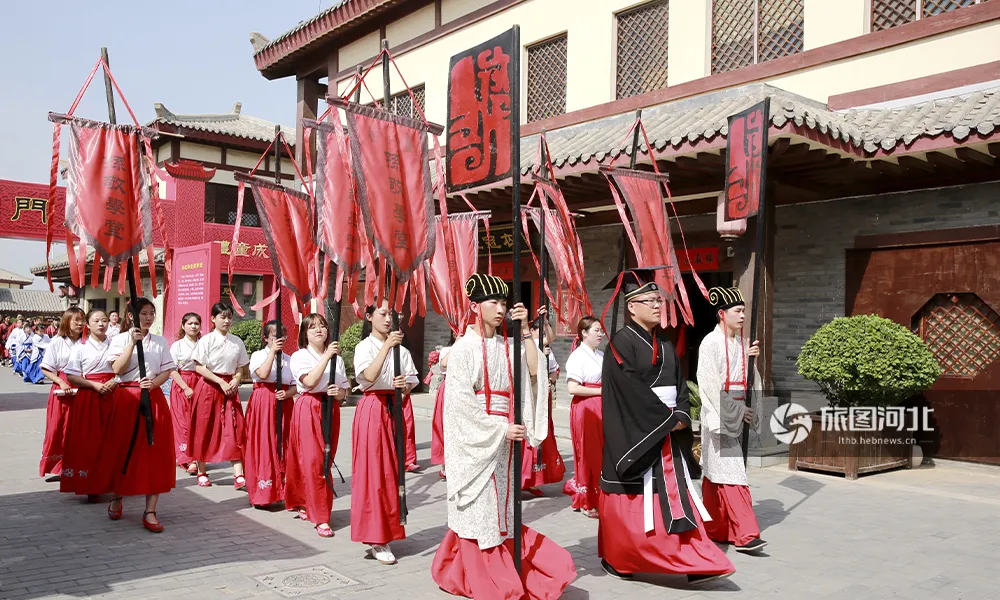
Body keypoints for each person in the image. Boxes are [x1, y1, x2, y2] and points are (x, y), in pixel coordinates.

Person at [431, 273, 577, 599]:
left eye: (503, 303)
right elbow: (459, 406)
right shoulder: (463, 349)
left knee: (500, 509)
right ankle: (487, 578)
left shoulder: (506, 345)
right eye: (493, 302)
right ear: (475, 306)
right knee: (480, 508)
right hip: (478, 439)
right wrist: (498, 428)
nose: (501, 309)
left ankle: (467, 569)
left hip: (505, 439)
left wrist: (525, 331)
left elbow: (536, 373)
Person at [598, 268, 735, 585]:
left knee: (677, 493)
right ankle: (621, 558)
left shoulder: (667, 344)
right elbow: (629, 390)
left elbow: (680, 388)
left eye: (660, 300)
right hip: (641, 435)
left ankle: (691, 556)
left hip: (668, 432)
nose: (659, 306)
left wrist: (683, 416)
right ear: (632, 306)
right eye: (651, 301)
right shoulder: (621, 343)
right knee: (637, 499)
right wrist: (666, 419)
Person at [697, 286, 767, 553]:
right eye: (738, 311)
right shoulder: (710, 343)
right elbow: (709, 384)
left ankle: (715, 527)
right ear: (721, 314)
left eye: (744, 311)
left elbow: (750, 380)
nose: (742, 316)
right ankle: (747, 534)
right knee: (733, 471)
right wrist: (737, 411)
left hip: (736, 411)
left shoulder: (741, 343)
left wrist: (751, 362)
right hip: (720, 416)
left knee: (716, 473)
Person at [351, 301, 420, 565]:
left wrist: (403, 388)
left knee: (392, 473)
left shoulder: (402, 352)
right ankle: (375, 536)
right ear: (369, 317)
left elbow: (409, 385)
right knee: (373, 473)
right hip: (372, 409)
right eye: (382, 313)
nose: (388, 318)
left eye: (391, 313)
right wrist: (387, 348)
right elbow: (367, 376)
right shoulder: (364, 347)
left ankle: (387, 530)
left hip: (394, 408)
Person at [105, 298, 177, 532]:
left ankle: (151, 510)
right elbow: (117, 369)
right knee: (123, 449)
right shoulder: (118, 339)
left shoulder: (159, 341)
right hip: (127, 398)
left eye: (151, 313)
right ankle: (118, 496)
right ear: (130, 316)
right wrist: (131, 344)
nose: (148, 317)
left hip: (153, 398)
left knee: (154, 452)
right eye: (143, 313)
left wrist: (154, 383)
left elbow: (167, 371)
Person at [286, 314, 349, 537]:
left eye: (322, 326)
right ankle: (321, 516)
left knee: (325, 457)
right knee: (314, 461)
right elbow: (310, 382)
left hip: (330, 408)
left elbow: (344, 391)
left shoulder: (338, 360)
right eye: (313, 328)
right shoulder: (299, 356)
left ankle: (305, 501)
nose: (319, 330)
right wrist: (326, 358)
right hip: (308, 407)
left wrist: (338, 393)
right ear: (305, 333)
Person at [189, 303, 250, 488]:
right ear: (213, 319)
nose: (226, 321)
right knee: (204, 428)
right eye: (222, 317)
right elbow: (199, 367)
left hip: (230, 389)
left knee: (235, 428)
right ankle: (202, 470)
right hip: (209, 387)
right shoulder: (206, 341)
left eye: (229, 317)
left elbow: (241, 368)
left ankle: (238, 473)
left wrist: (236, 379)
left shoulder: (237, 341)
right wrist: (220, 381)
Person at [61, 309, 117, 500]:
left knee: (114, 440)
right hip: (89, 396)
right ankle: (91, 484)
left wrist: (115, 381)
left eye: (104, 320)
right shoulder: (80, 347)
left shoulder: (116, 344)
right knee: (90, 440)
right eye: (96, 320)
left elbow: (126, 368)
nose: (101, 324)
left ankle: (113, 482)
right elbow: (71, 375)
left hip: (114, 394)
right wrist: (94, 385)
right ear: (88, 324)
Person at [245, 320, 294, 510]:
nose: (278, 339)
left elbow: (297, 384)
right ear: (266, 338)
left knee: (285, 442)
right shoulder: (259, 355)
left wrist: (288, 393)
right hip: (264, 401)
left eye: (281, 335)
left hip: (285, 402)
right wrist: (273, 352)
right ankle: (263, 490)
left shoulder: (290, 359)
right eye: (274, 336)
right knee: (265, 443)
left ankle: (284, 488)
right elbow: (263, 374)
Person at [562, 316, 605, 518]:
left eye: (600, 330)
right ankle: (587, 500)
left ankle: (600, 496)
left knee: (602, 452)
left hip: (600, 407)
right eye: (595, 330)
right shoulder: (577, 357)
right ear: (583, 333)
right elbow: (572, 387)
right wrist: (600, 392)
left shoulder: (601, 355)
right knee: (588, 452)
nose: (600, 333)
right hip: (586, 407)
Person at [520, 317, 566, 497]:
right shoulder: (526, 348)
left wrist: (549, 380)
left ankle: (535, 478)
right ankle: (522, 478)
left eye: (546, 332)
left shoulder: (546, 349)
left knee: (543, 435)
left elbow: (554, 371)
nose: (545, 335)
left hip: (543, 397)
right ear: (531, 332)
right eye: (542, 331)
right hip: (530, 397)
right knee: (529, 436)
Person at [38, 308, 85, 479]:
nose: (80, 324)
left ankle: (75, 465)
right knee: (58, 427)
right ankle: (57, 465)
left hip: (82, 387)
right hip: (62, 388)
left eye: (82, 320)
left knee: (78, 428)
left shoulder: (86, 342)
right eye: (76, 320)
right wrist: (61, 381)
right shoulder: (57, 342)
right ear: (67, 321)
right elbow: (45, 368)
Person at [169, 313, 202, 474]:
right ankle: (187, 458)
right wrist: (185, 387)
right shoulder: (177, 346)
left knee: (198, 422)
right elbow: (172, 370)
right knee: (183, 423)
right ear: (183, 326)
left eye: (196, 323)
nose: (193, 326)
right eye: (189, 323)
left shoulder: (204, 344)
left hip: (201, 382)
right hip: (182, 383)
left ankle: (197, 456)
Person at [431, 333, 457, 480]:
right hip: (448, 389)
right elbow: (444, 365)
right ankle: (445, 465)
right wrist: (458, 344)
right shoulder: (447, 350)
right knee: (445, 427)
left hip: (465, 389)